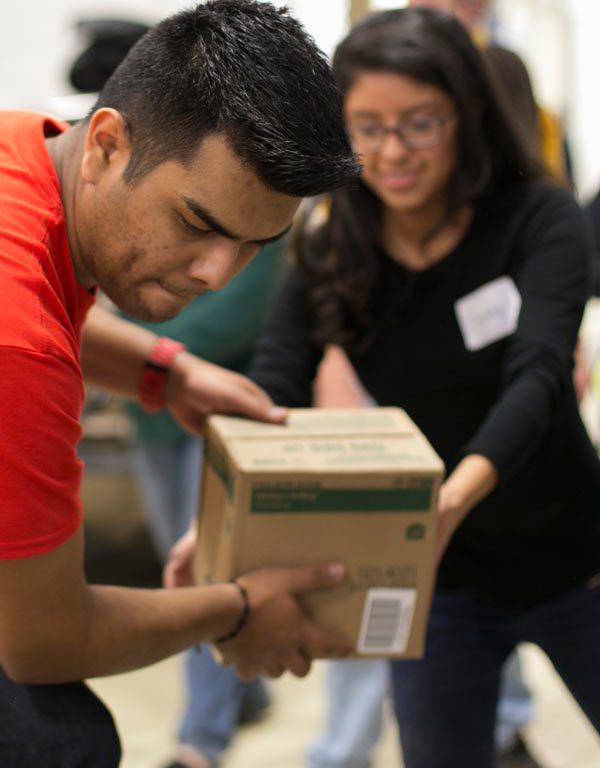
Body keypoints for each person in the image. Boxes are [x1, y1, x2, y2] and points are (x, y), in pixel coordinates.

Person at [0, 2, 360, 766]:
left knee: (52, 743)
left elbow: (31, 303)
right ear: (108, 144)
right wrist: (240, 609)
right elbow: (45, 641)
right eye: (196, 222)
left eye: (255, 244)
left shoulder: (11, 147)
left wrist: (166, 372)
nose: (216, 273)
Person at [236, 7, 600, 768]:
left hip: (574, 555)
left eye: (419, 125)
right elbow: (272, 386)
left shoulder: (538, 221)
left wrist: (449, 500)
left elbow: (539, 375)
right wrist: (231, 519)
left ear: (466, 115)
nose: (392, 152)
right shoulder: (334, 247)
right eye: (365, 127)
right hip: (439, 581)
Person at [123, 239, 289, 768]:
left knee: (204, 579)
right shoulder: (160, 225)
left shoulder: (257, 232)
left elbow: (227, 325)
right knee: (184, 567)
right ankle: (248, 691)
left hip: (215, 423)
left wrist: (137, 349)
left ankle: (200, 742)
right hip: (152, 420)